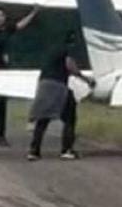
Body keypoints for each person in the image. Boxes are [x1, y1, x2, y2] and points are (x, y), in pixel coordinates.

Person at [27, 31, 94, 161]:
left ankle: (34, 151)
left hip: (44, 85)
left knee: (42, 120)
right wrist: (85, 78)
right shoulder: (67, 50)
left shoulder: (52, 50)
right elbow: (70, 65)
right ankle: (66, 150)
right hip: (58, 85)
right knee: (70, 118)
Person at [0, 5, 39, 146]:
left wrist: (33, 13)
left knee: (1, 103)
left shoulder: (6, 29)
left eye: (2, 15)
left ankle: (0, 135)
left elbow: (20, 25)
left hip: (3, 69)